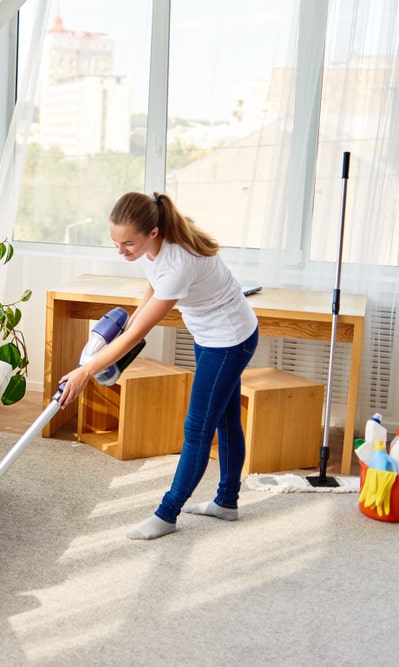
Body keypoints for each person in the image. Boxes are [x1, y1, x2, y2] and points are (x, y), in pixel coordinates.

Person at [58, 191, 259, 540]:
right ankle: (227, 502)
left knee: (197, 430)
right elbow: (150, 294)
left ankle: (167, 514)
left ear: (153, 232)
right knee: (225, 419)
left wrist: (85, 370)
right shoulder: (155, 247)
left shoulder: (177, 261)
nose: (121, 251)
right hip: (212, 335)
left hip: (228, 341)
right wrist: (120, 335)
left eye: (127, 244)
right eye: (115, 243)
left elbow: (138, 333)